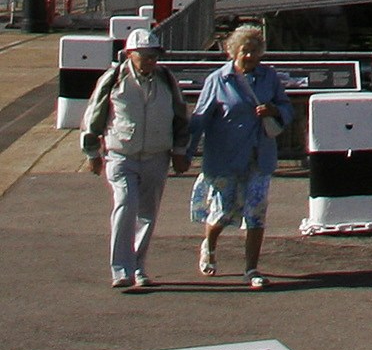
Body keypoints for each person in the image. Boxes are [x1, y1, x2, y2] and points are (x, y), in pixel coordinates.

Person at [80, 27, 191, 290]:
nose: (151, 60)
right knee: (125, 205)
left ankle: (138, 267)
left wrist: (179, 151)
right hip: (121, 154)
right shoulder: (114, 78)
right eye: (145, 55)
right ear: (130, 54)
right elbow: (93, 116)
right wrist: (92, 152)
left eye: (154, 55)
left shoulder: (166, 79)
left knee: (147, 214)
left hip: (156, 155)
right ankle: (121, 269)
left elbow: (180, 115)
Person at [187, 24, 290, 288]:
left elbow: (287, 108)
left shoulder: (270, 77)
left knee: (256, 212)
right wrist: (185, 151)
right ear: (233, 51)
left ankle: (251, 269)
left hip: (259, 155)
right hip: (225, 156)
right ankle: (209, 244)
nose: (250, 56)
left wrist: (274, 111)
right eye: (245, 51)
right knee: (222, 211)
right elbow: (200, 118)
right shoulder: (218, 80)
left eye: (256, 51)